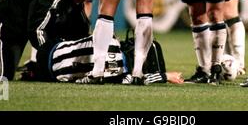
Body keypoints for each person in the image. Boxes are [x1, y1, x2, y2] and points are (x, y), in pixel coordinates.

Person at [19, 35, 185, 85]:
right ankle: (32, 72)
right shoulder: (123, 74)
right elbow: (140, 80)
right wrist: (165, 76)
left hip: (48, 51)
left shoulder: (111, 39)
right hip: (53, 76)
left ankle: (31, 65)